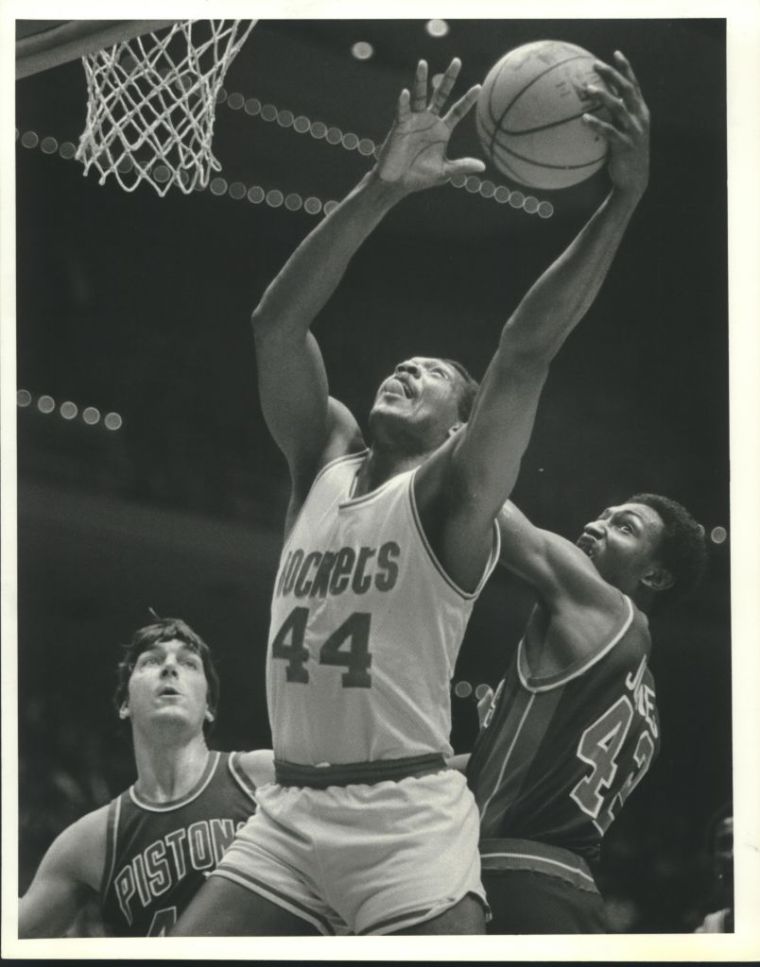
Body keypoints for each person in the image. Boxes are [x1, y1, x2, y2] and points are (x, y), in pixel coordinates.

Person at [173, 50, 651, 937]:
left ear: (460, 431)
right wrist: (381, 188)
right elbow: (276, 323)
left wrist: (621, 200)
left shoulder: (455, 495)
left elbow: (525, 349)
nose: (409, 368)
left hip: (402, 818)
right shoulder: (321, 450)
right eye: (406, 362)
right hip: (287, 816)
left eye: (433, 374)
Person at [464, 491, 708, 933]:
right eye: (604, 514)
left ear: (654, 575)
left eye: (624, 527)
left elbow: (486, 501)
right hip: (574, 894)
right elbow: (513, 772)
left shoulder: (605, 612)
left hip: (509, 873)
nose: (598, 524)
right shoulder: (644, 695)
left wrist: (451, 440)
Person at [19, 617, 274, 937]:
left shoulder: (264, 777)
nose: (170, 667)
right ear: (125, 703)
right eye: (151, 661)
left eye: (188, 663)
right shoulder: (89, 841)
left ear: (208, 705)